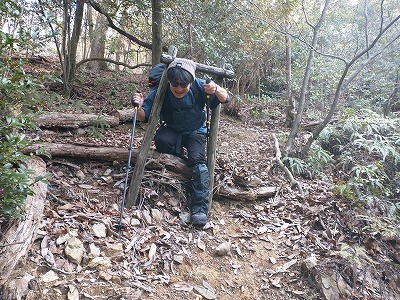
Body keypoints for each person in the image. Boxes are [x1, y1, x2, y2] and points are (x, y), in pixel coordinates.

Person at [133, 58, 230, 227]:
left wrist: (216, 89)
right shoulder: (161, 88)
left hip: (196, 130)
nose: (178, 88)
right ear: (169, 81)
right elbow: (143, 116)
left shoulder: (201, 86)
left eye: (183, 84)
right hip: (171, 129)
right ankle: (179, 160)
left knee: (198, 161)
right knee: (161, 141)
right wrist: (139, 106)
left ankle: (199, 208)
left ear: (191, 82)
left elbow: (225, 98)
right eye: (174, 84)